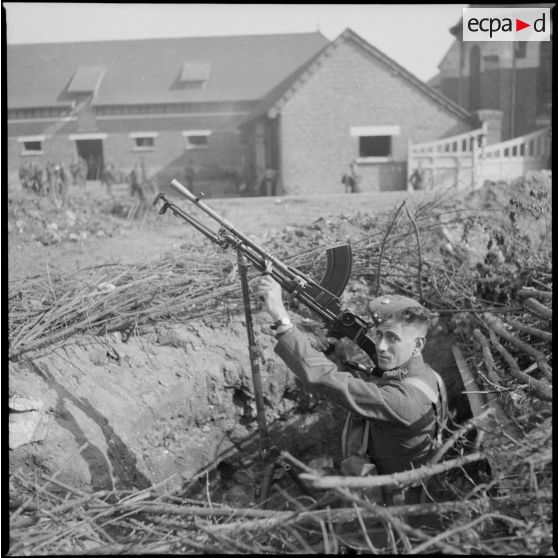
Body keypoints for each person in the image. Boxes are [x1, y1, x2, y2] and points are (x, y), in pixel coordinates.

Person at [254, 276, 447, 506]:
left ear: (417, 345)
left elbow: (328, 379)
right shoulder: (428, 376)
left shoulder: (403, 402)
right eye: (379, 335)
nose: (381, 346)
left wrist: (281, 318)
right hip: (408, 491)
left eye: (393, 338)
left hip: (386, 515)